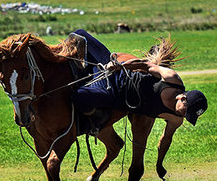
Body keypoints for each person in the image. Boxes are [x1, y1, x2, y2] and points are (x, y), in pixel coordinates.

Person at [68, 30, 208, 136]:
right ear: (182, 98)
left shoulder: (175, 116)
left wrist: (159, 163)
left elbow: (166, 138)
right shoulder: (172, 79)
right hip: (116, 74)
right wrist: (118, 66)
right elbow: (145, 64)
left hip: (113, 92)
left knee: (79, 96)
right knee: (79, 34)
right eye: (186, 111)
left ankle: (95, 122)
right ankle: (83, 63)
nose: (183, 115)